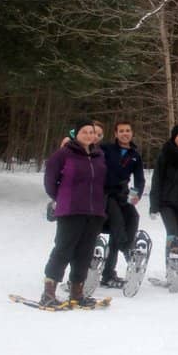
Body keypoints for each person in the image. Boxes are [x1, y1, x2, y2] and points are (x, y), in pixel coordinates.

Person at [41, 118, 107, 307]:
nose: (89, 135)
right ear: (76, 134)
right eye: (84, 132)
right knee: (63, 249)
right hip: (70, 210)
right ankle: (49, 291)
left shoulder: (99, 155)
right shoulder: (64, 154)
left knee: (85, 253)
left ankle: (77, 292)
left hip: (94, 211)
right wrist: (61, 197)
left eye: (92, 132)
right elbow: (50, 180)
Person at [100, 121, 146, 288]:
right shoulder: (106, 149)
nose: (125, 134)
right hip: (105, 194)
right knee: (117, 223)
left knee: (133, 216)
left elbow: (139, 180)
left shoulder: (134, 154)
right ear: (116, 134)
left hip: (123, 195)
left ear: (132, 133)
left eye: (128, 131)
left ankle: (108, 273)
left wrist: (135, 195)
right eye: (121, 131)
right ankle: (127, 251)